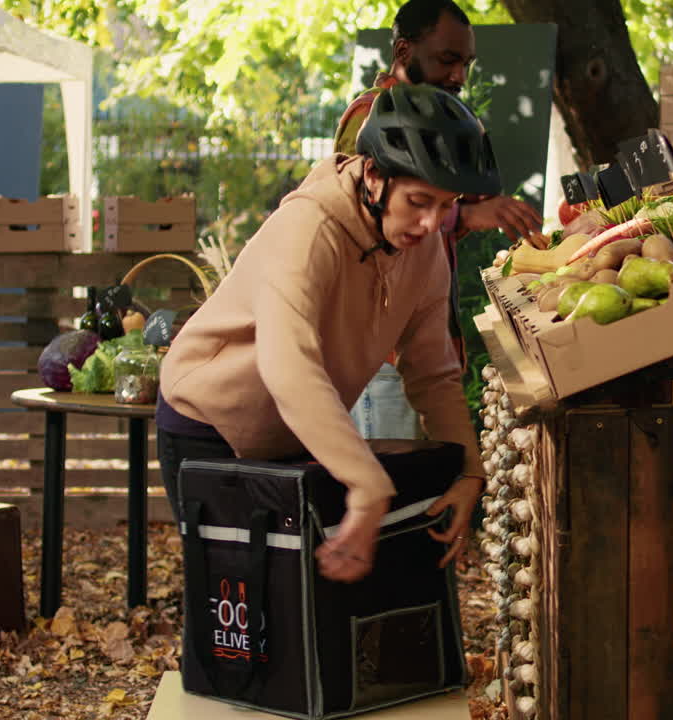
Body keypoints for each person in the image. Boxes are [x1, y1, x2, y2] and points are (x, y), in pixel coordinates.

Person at [156, 84, 497, 584]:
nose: (430, 223)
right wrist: (364, 483)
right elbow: (288, 366)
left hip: (296, 425)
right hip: (209, 424)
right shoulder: (308, 228)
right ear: (375, 176)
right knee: (238, 610)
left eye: (446, 206)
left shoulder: (422, 246)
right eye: (420, 201)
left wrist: (470, 469)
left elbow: (432, 371)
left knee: (302, 604)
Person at [334, 0, 541, 441]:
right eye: (448, 60)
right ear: (405, 52)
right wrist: (467, 213)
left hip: (420, 356)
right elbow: (362, 219)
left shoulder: (432, 114)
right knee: (394, 501)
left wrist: (472, 216)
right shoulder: (371, 115)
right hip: (382, 362)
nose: (460, 76)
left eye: (466, 63)